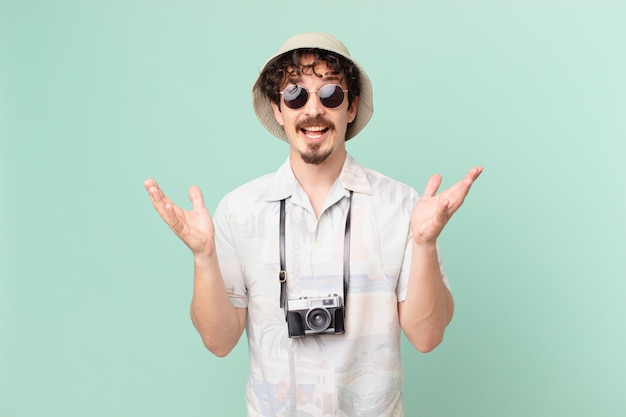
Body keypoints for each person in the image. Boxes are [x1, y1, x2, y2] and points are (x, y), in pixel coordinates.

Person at [144, 32, 482, 417]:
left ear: (351, 107)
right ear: (278, 109)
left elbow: (427, 337)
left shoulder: (403, 206)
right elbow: (219, 342)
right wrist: (204, 256)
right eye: (295, 95)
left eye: (331, 95)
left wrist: (423, 243)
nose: (313, 109)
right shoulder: (240, 210)